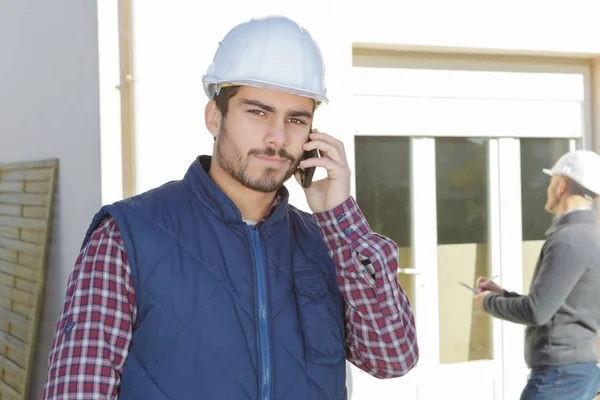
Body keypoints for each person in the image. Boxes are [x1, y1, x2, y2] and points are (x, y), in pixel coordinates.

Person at [41, 15, 418, 399]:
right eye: (258, 112)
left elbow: (392, 357)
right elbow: (77, 390)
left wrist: (341, 221)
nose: (277, 137)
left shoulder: (328, 242)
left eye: (296, 119)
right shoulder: (127, 236)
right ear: (215, 117)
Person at [475, 150, 600, 400]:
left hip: (559, 377)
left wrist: (487, 302)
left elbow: (537, 311)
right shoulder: (589, 235)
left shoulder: (568, 240)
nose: (548, 188)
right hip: (578, 372)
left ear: (562, 186)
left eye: (551, 182)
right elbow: (562, 305)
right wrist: (504, 294)